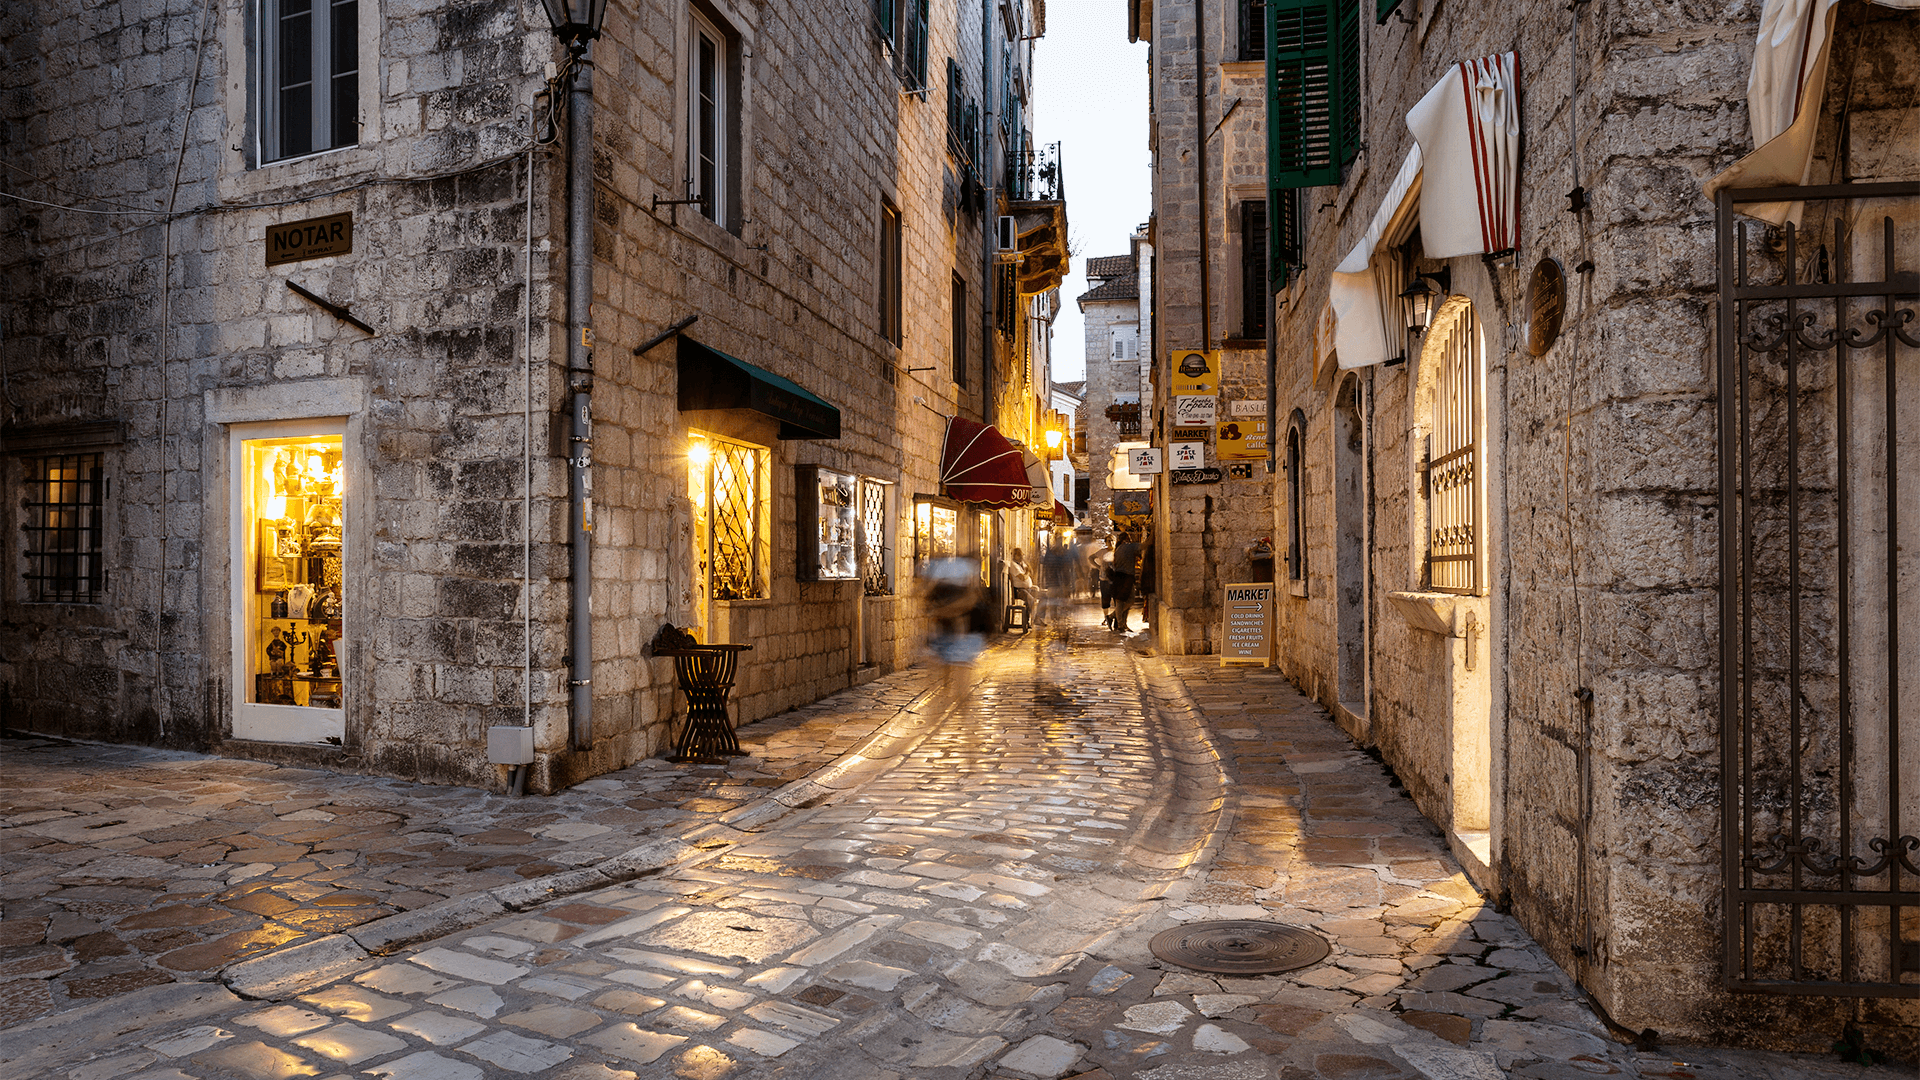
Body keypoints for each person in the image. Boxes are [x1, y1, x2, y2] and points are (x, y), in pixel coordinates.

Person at [1110, 530, 1142, 633]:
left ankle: (1115, 619)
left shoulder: (1118, 549)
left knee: (1125, 601)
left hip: (1122, 577)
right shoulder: (1125, 548)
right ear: (1127, 539)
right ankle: (1119, 624)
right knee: (1122, 601)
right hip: (1124, 577)